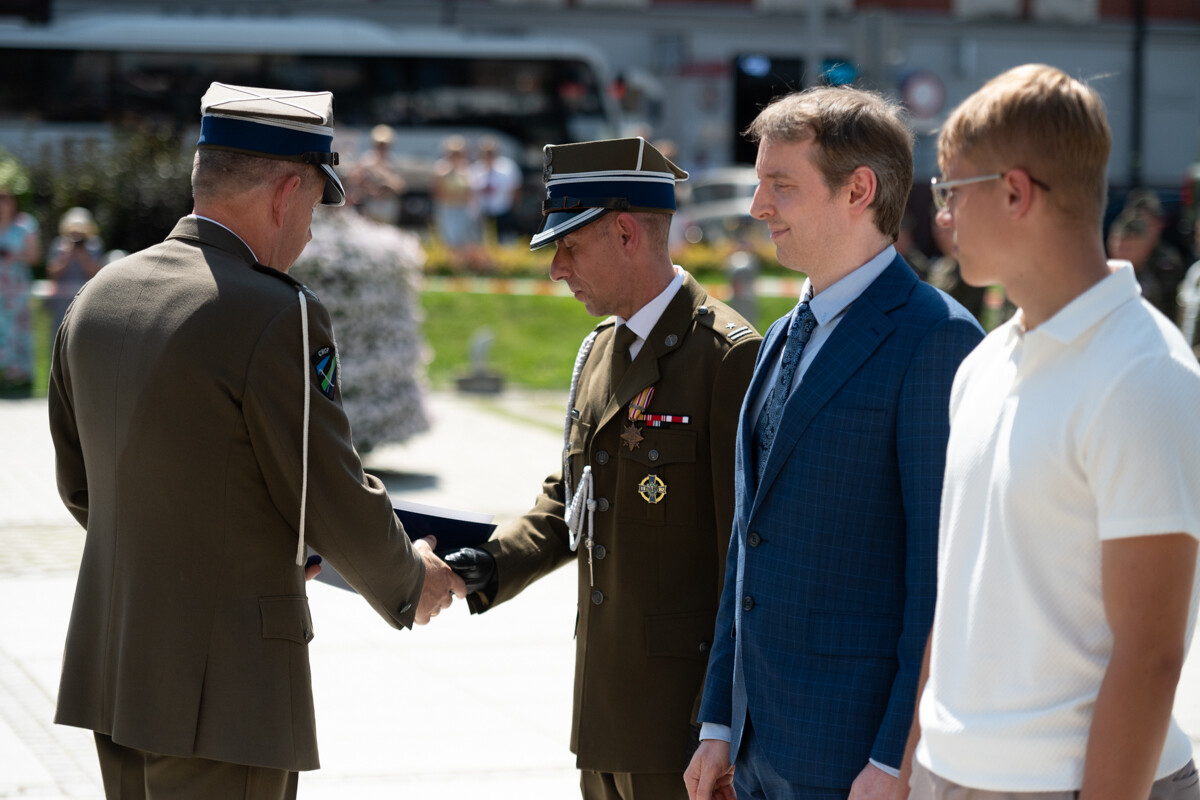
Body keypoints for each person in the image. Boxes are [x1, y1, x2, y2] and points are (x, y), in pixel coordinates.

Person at [47, 82, 465, 800]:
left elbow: (86, 488)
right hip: (223, 691)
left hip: (116, 670)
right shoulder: (276, 315)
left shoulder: (99, 296)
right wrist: (410, 580)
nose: (308, 232)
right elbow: (329, 490)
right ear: (285, 193)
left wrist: (263, 549)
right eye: (312, 208)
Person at [896, 64, 1200, 800]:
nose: (942, 217)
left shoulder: (1146, 374)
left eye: (950, 190)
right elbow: (960, 597)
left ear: (1013, 191)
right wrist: (911, 769)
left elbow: (1152, 653)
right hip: (953, 775)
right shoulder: (985, 362)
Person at [684, 86, 984, 800]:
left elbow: (936, 585)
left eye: (780, 186)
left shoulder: (935, 339)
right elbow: (747, 545)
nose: (759, 208)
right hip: (756, 753)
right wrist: (720, 723)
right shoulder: (785, 333)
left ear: (859, 190)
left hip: (853, 765)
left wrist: (895, 760)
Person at [442, 137, 761, 800]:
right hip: (605, 712)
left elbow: (748, 558)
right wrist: (480, 563)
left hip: (684, 724)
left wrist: (724, 721)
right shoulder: (599, 351)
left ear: (624, 233)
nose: (557, 268)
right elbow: (574, 500)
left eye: (569, 246)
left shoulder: (724, 358)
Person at [0, 179, 41, 391]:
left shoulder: (25, 224)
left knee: (18, 331)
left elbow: (35, 256)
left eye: (5, 198)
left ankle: (19, 377)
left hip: (17, 288)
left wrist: (14, 255)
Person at [46, 206, 104, 334]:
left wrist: (84, 256)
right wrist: (66, 256)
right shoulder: (59, 245)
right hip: (62, 303)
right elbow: (52, 272)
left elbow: (98, 273)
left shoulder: (94, 245)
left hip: (87, 300)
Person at [347, 123, 406, 225]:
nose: (381, 147)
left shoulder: (392, 162)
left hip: (387, 206)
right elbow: (352, 180)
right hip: (369, 205)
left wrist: (383, 173)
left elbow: (400, 187)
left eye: (384, 145)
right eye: (379, 144)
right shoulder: (366, 160)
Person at [431, 134, 481, 255]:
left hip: (464, 209)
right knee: (450, 240)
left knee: (466, 240)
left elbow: (472, 191)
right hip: (448, 209)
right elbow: (437, 192)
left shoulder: (467, 168)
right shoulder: (441, 168)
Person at [470, 134, 523, 243]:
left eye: (491, 151)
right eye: (485, 152)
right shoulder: (476, 169)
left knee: (505, 240)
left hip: (503, 210)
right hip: (483, 212)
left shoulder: (507, 167)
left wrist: (513, 207)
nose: (488, 155)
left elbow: (516, 188)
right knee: (484, 240)